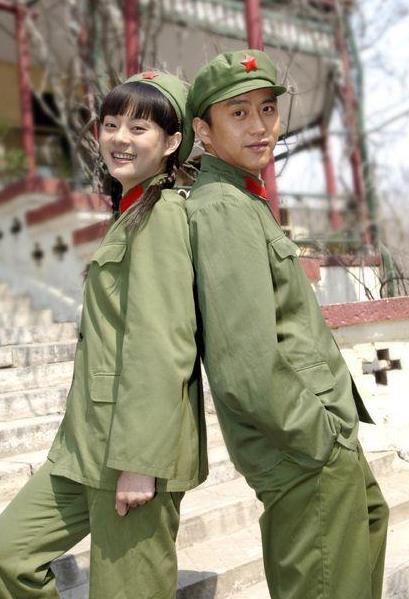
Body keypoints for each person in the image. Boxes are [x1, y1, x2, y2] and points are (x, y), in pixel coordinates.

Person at [186, 49, 389, 599]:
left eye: (268, 109)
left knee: (365, 538)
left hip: (317, 435)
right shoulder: (222, 208)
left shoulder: (244, 198)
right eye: (238, 113)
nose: (260, 126)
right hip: (301, 446)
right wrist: (320, 437)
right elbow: (245, 364)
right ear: (203, 131)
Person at [0, 71, 207, 599]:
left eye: (139, 127)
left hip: (133, 451)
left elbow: (161, 346)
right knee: (10, 555)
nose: (119, 138)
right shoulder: (131, 213)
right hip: (87, 445)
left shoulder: (162, 217)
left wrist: (140, 462)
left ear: (172, 142)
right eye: (112, 124)